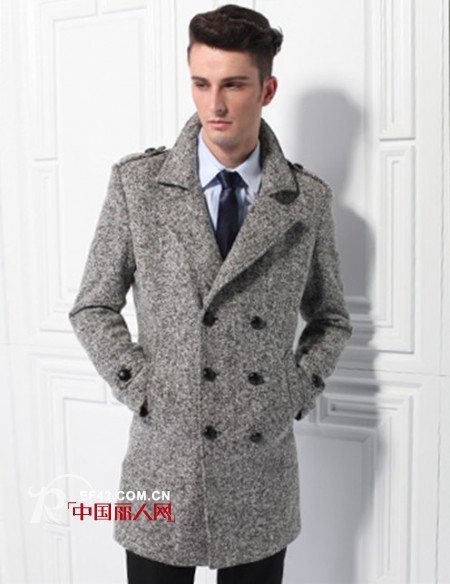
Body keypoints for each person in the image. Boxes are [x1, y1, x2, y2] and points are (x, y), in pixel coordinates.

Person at [68, 4, 353, 583]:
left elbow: (331, 318)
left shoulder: (306, 200)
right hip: (163, 460)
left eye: (233, 85)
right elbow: (93, 305)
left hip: (259, 466)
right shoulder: (138, 186)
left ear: (267, 89)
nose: (214, 105)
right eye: (201, 83)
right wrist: (144, 387)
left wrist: (292, 391)